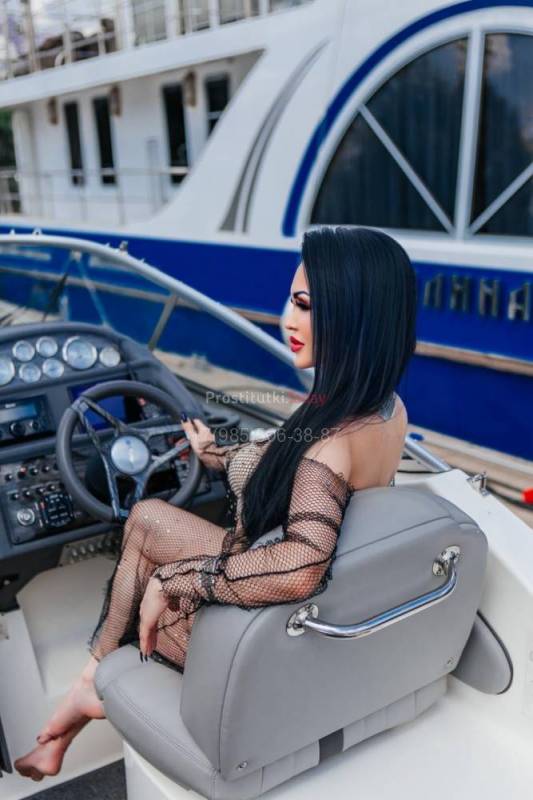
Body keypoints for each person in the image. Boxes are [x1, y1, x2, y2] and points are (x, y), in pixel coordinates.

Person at [14, 225, 417, 781]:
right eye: (290, 301)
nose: (287, 320)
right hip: (314, 614)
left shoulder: (330, 444)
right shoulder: (383, 409)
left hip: (273, 637)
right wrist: (214, 455)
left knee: (144, 594)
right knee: (147, 518)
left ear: (354, 316)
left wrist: (175, 579)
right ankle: (86, 687)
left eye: (305, 306)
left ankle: (89, 692)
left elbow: (301, 565)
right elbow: (286, 461)